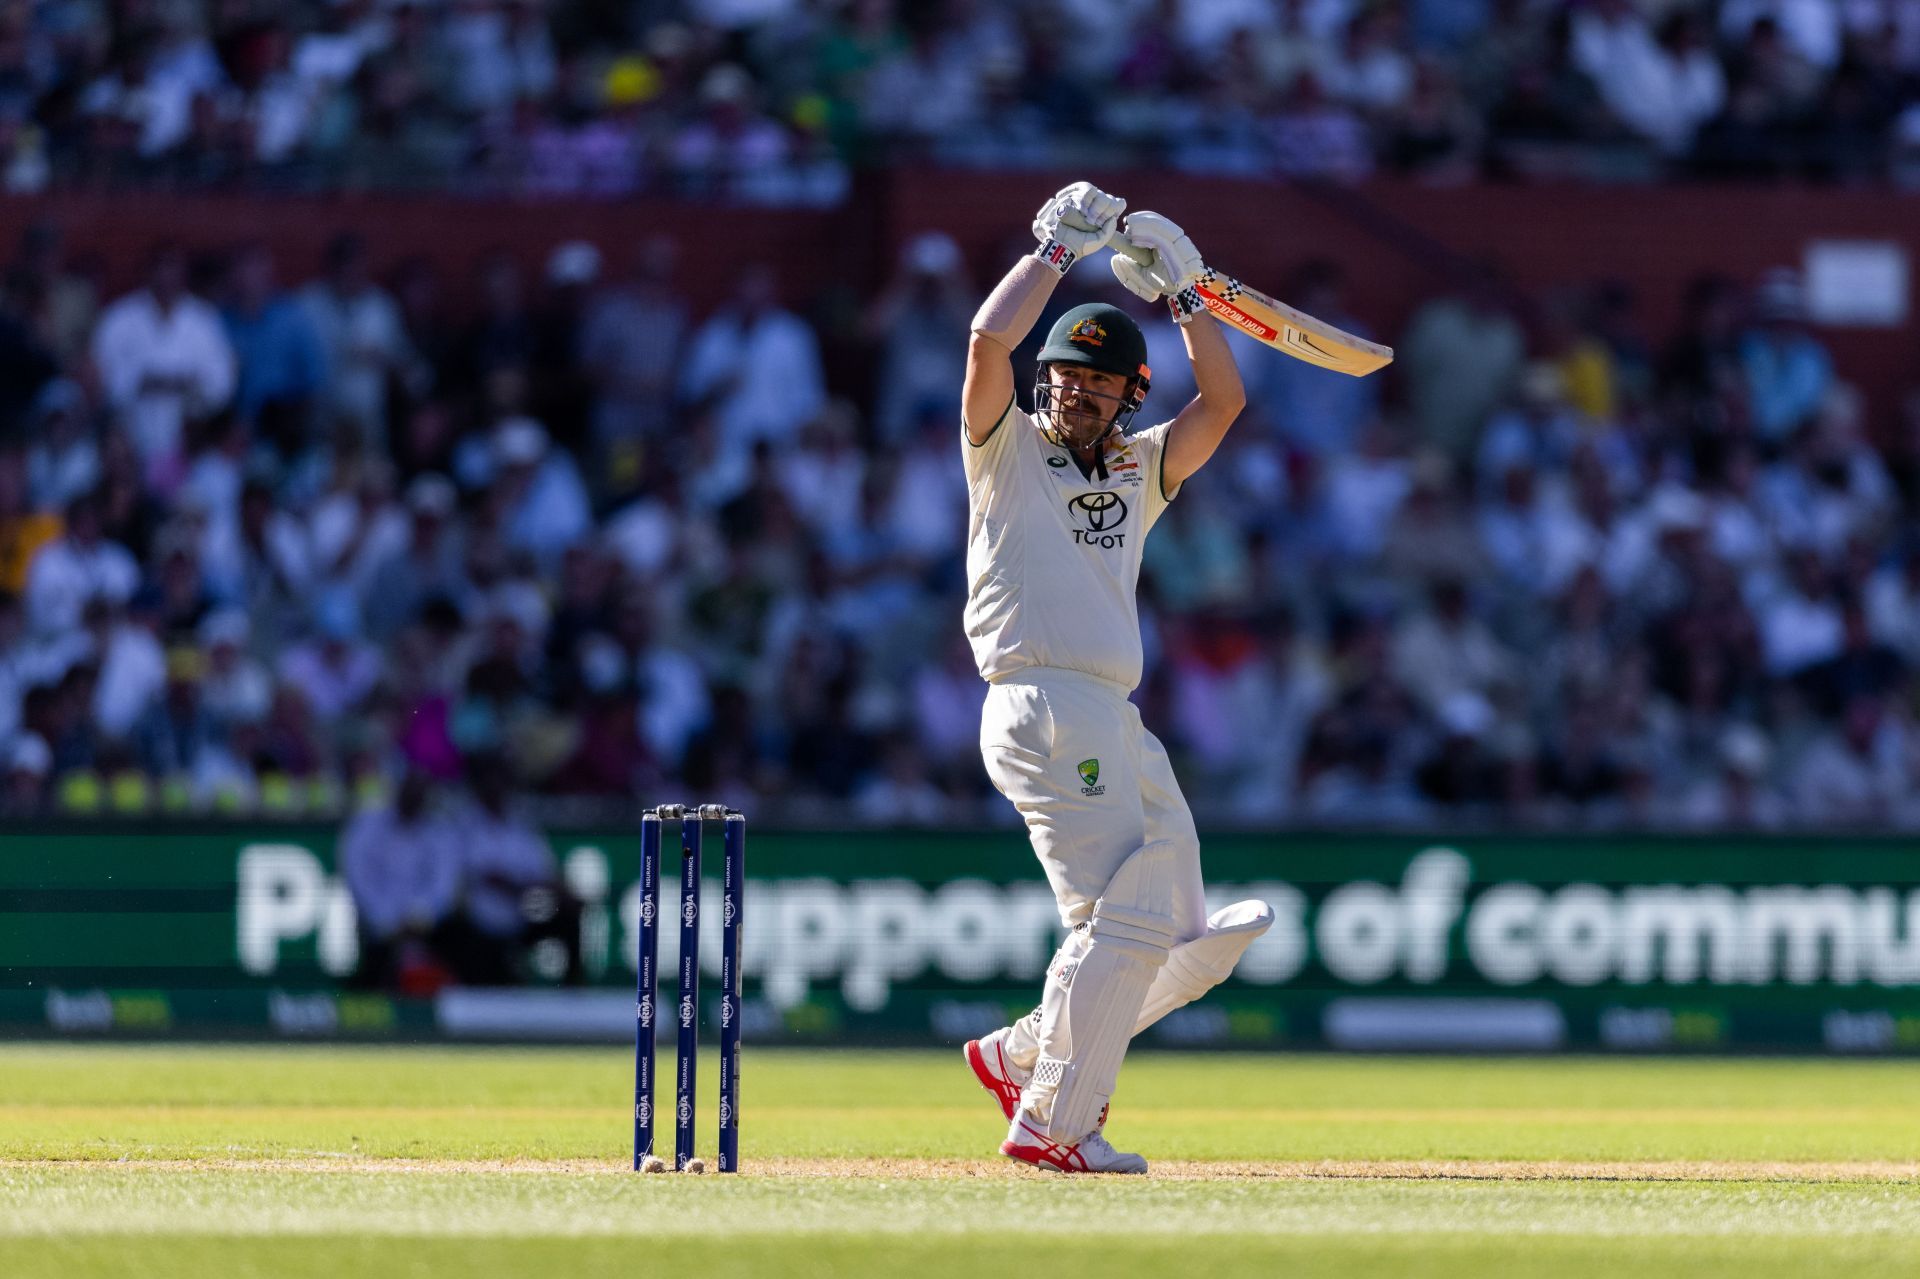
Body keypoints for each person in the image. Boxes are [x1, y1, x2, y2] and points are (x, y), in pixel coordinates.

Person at [957, 181, 1271, 1174]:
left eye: (1096, 384)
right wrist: (1054, 251)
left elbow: (1226, 402)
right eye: (1061, 378)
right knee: (1117, 923)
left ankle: (1020, 1052)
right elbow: (984, 347)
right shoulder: (1004, 452)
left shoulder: (1140, 469)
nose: (1072, 392)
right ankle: (1054, 1122)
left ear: (1130, 394)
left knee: (1179, 922)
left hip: (1112, 716)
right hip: (1040, 702)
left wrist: (1192, 296)